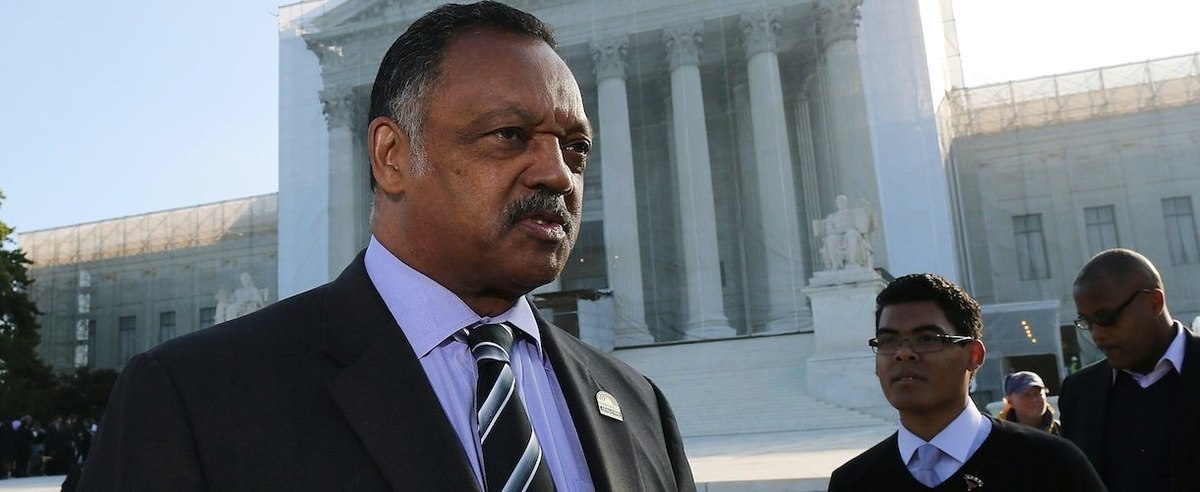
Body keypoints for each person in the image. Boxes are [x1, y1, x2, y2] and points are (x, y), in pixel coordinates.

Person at [77, 3, 694, 491]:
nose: (558, 174)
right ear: (392, 157)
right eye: (510, 135)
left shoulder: (640, 408)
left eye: (575, 148)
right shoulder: (196, 397)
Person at [829, 273, 1104, 491]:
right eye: (888, 341)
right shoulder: (853, 482)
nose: (903, 353)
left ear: (974, 355)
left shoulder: (1052, 465)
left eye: (927, 339)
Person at [1060, 248, 1200, 491]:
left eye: (1107, 318)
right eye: (1087, 322)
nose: (1097, 335)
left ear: (1154, 302)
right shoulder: (1079, 393)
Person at [814, 194, 873, 270]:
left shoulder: (852, 213)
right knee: (831, 239)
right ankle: (836, 263)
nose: (840, 203)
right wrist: (841, 230)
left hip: (851, 234)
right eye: (839, 202)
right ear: (836, 204)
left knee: (851, 233)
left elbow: (856, 226)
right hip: (837, 236)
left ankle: (852, 261)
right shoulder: (831, 216)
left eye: (842, 201)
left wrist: (843, 229)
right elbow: (829, 230)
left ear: (846, 203)